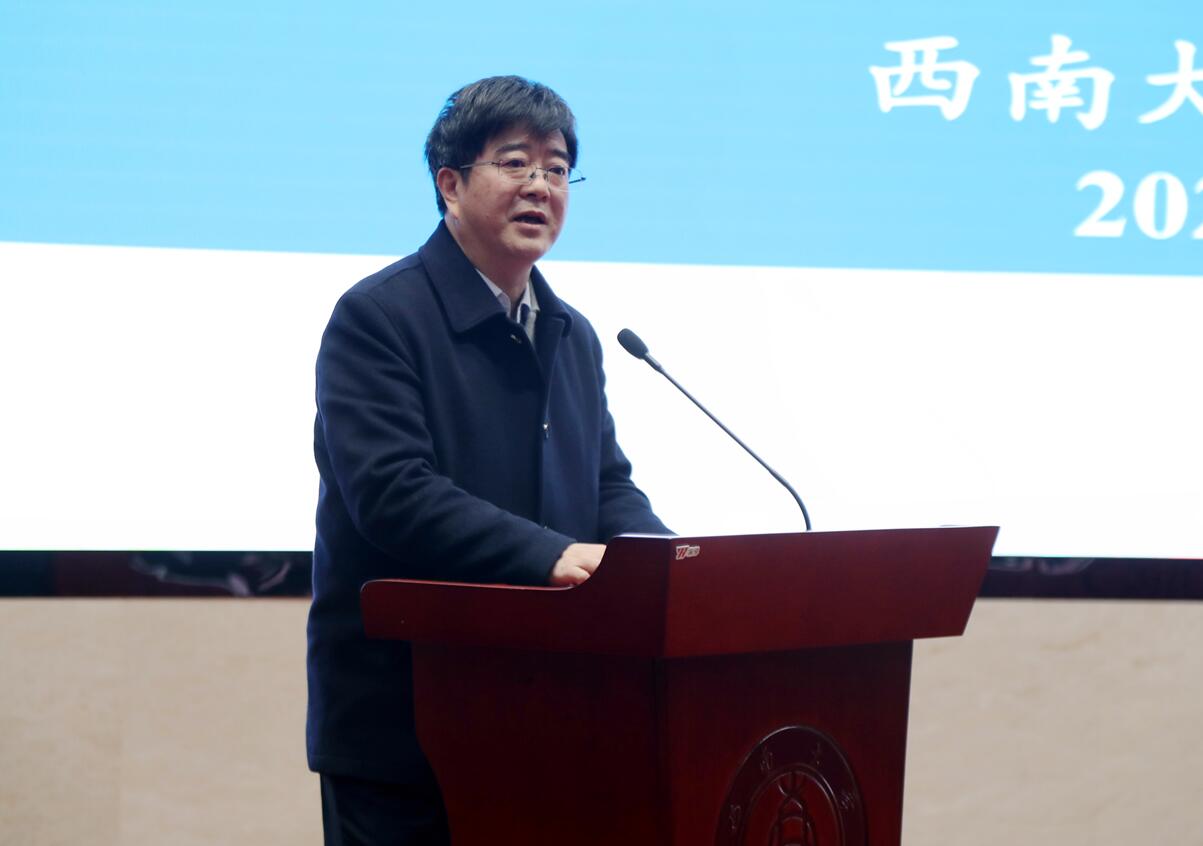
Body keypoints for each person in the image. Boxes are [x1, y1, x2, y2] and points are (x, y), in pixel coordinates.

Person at [306, 75, 670, 845]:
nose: (540, 186)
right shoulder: (379, 316)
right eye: (514, 163)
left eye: (557, 168)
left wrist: (668, 567)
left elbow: (604, 484)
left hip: (546, 717)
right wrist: (552, 556)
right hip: (405, 727)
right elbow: (393, 493)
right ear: (449, 184)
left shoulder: (570, 332)